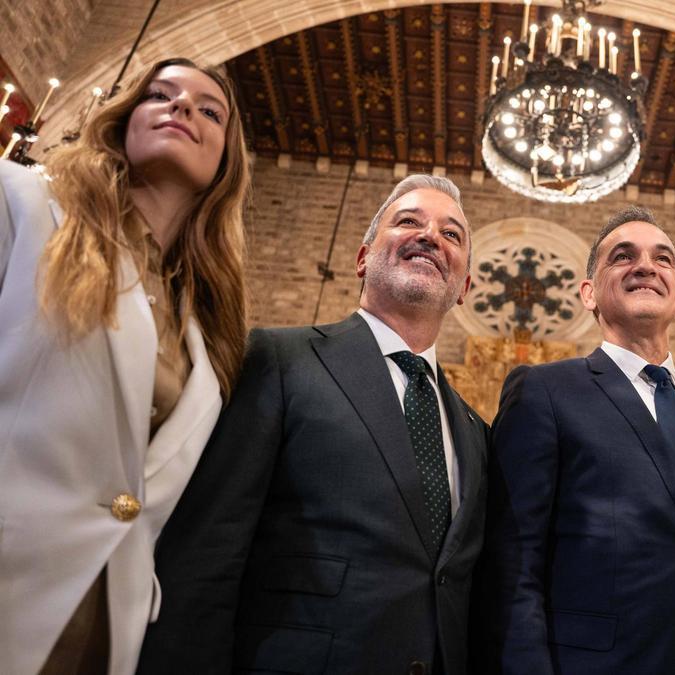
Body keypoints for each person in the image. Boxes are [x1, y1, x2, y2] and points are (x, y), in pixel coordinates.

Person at [137, 175, 488, 674]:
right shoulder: (280, 360)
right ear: (363, 258)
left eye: (452, 234)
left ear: (464, 288)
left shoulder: (474, 431)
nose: (430, 235)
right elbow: (206, 552)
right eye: (408, 221)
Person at [0, 57, 250, 675]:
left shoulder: (207, 327)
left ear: (227, 162)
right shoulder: (26, 207)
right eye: (159, 95)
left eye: (208, 109)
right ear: (123, 120)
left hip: (106, 628)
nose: (182, 107)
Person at [481, 206, 675, 674]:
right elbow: (512, 562)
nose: (645, 266)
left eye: (662, 259)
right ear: (588, 293)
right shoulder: (545, 391)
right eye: (622, 256)